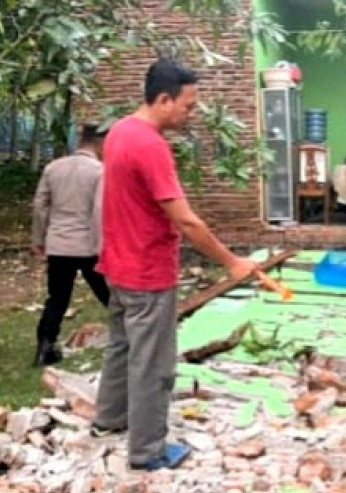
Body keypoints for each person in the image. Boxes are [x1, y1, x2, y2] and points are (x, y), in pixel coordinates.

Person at [91, 58, 258, 471]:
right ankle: (147, 452)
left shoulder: (119, 132)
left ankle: (109, 419)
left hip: (118, 264)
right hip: (147, 271)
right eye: (187, 105)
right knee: (153, 363)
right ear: (163, 99)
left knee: (121, 347)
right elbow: (185, 219)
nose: (191, 113)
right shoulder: (150, 145)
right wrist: (231, 262)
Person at [31, 124, 110, 367]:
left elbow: (40, 207)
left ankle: (45, 348)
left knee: (57, 298)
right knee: (110, 296)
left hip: (59, 245)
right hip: (88, 245)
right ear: (100, 143)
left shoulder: (53, 168)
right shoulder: (100, 171)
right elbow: (98, 211)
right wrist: (101, 246)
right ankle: (132, 340)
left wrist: (39, 240)